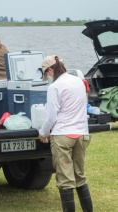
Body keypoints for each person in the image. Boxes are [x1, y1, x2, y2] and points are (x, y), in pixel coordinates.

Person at [38, 55, 93, 212]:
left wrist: (43, 132)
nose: (47, 77)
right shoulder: (78, 82)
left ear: (50, 70)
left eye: (46, 74)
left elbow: (51, 116)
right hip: (82, 134)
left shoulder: (54, 87)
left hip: (62, 135)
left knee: (65, 180)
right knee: (80, 177)